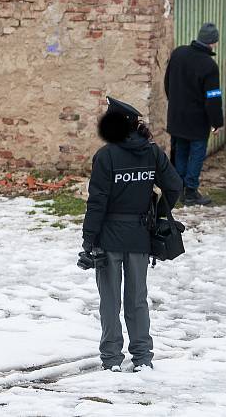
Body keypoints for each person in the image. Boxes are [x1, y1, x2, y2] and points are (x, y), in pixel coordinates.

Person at [82, 96, 182, 372]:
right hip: (140, 234)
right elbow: (174, 186)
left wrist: (88, 239)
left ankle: (112, 359)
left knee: (110, 300)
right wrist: (159, 213)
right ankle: (142, 357)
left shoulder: (105, 156)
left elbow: (97, 202)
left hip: (108, 237)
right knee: (137, 299)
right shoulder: (152, 153)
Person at [164, 22, 224, 206]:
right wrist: (217, 122)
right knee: (196, 154)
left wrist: (173, 102)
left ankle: (178, 188)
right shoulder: (209, 65)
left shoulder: (178, 53)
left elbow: (167, 81)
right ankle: (190, 192)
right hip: (197, 119)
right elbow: (213, 97)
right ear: (213, 42)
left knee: (180, 150)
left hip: (176, 115)